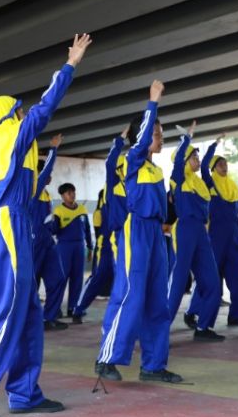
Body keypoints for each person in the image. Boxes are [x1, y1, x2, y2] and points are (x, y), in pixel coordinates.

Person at [0, 34, 91, 417]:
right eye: (17, 107)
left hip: (13, 223)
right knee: (10, 309)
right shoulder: (12, 134)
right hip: (10, 222)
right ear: (10, 113)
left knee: (27, 310)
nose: (23, 109)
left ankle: (24, 392)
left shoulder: (2, 142)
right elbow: (44, 109)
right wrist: (70, 66)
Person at [95, 80, 184, 381]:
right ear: (142, 138)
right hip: (135, 232)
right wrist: (153, 102)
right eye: (155, 134)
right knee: (130, 294)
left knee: (158, 300)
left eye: (160, 134)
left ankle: (153, 365)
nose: (159, 139)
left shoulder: (156, 170)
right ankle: (107, 358)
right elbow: (140, 138)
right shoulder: (130, 161)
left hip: (156, 235)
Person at [170, 127, 223, 341]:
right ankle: (158, 331)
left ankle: (203, 328)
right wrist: (186, 139)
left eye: (198, 156)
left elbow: (207, 163)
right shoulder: (178, 179)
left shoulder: (200, 182)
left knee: (212, 283)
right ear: (183, 160)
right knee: (177, 284)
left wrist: (213, 146)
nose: (197, 159)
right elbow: (177, 163)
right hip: (184, 230)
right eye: (193, 156)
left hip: (201, 232)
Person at [74, 135, 125, 322]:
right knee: (98, 276)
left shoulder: (130, 187)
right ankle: (78, 309)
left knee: (123, 278)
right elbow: (110, 165)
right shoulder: (110, 188)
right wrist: (119, 142)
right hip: (106, 241)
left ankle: (121, 317)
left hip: (123, 239)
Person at [207, 148, 238, 327]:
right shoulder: (207, 184)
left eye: (225, 163)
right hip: (214, 239)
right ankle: (199, 316)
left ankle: (236, 316)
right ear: (212, 167)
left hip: (234, 239)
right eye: (220, 164)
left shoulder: (233, 186)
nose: (224, 166)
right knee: (210, 280)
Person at [33, 137, 67, 329]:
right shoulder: (33, 191)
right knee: (31, 284)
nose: (50, 175)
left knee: (58, 278)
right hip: (34, 242)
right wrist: (52, 150)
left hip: (48, 242)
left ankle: (48, 317)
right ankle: (29, 319)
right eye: (47, 172)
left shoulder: (46, 195)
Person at [50, 183, 92, 324]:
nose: (72, 195)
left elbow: (87, 229)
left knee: (77, 278)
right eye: (68, 193)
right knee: (61, 278)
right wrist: (50, 223)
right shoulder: (58, 211)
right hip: (64, 247)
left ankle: (73, 308)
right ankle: (55, 309)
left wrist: (90, 248)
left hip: (79, 247)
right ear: (62, 196)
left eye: (73, 192)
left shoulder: (82, 209)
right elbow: (54, 230)